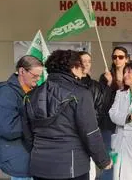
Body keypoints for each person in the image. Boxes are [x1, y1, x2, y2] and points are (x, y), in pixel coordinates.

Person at [22, 50, 112, 180]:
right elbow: (90, 132)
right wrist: (103, 161)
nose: (82, 70)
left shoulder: (30, 95)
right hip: (72, 167)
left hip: (40, 166)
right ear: (73, 67)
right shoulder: (81, 93)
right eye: (80, 66)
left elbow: (27, 134)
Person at [0, 55, 43, 180]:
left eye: (40, 75)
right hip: (18, 158)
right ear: (22, 71)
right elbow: (7, 129)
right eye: (35, 76)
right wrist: (36, 123)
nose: (38, 79)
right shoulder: (6, 92)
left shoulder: (33, 91)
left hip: (31, 157)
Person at [98, 46, 129, 180]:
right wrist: (110, 83)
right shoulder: (105, 76)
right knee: (110, 157)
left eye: (121, 57)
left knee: (127, 158)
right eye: (114, 57)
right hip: (109, 124)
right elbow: (102, 102)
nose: (117, 60)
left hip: (129, 124)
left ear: (127, 59)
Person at [79, 51, 103, 180]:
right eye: (83, 61)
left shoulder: (95, 86)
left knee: (90, 173)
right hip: (73, 136)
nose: (86, 64)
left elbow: (99, 109)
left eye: (89, 61)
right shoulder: (68, 84)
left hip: (90, 132)